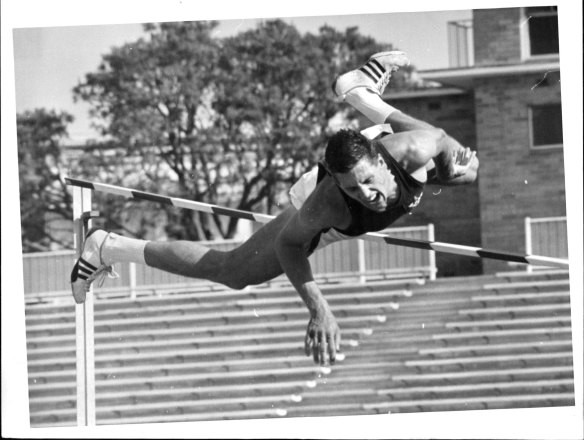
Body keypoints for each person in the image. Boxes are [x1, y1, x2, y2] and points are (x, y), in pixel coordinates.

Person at [71, 51, 478, 366]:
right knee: (232, 272)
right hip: (322, 212)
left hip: (398, 157)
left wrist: (449, 169)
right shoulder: (328, 203)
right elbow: (289, 247)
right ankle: (106, 245)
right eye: (353, 189)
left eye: (368, 182)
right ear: (338, 184)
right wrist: (319, 310)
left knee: (467, 170)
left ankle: (359, 93)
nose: (365, 193)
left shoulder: (413, 150)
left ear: (379, 161)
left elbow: (439, 139)